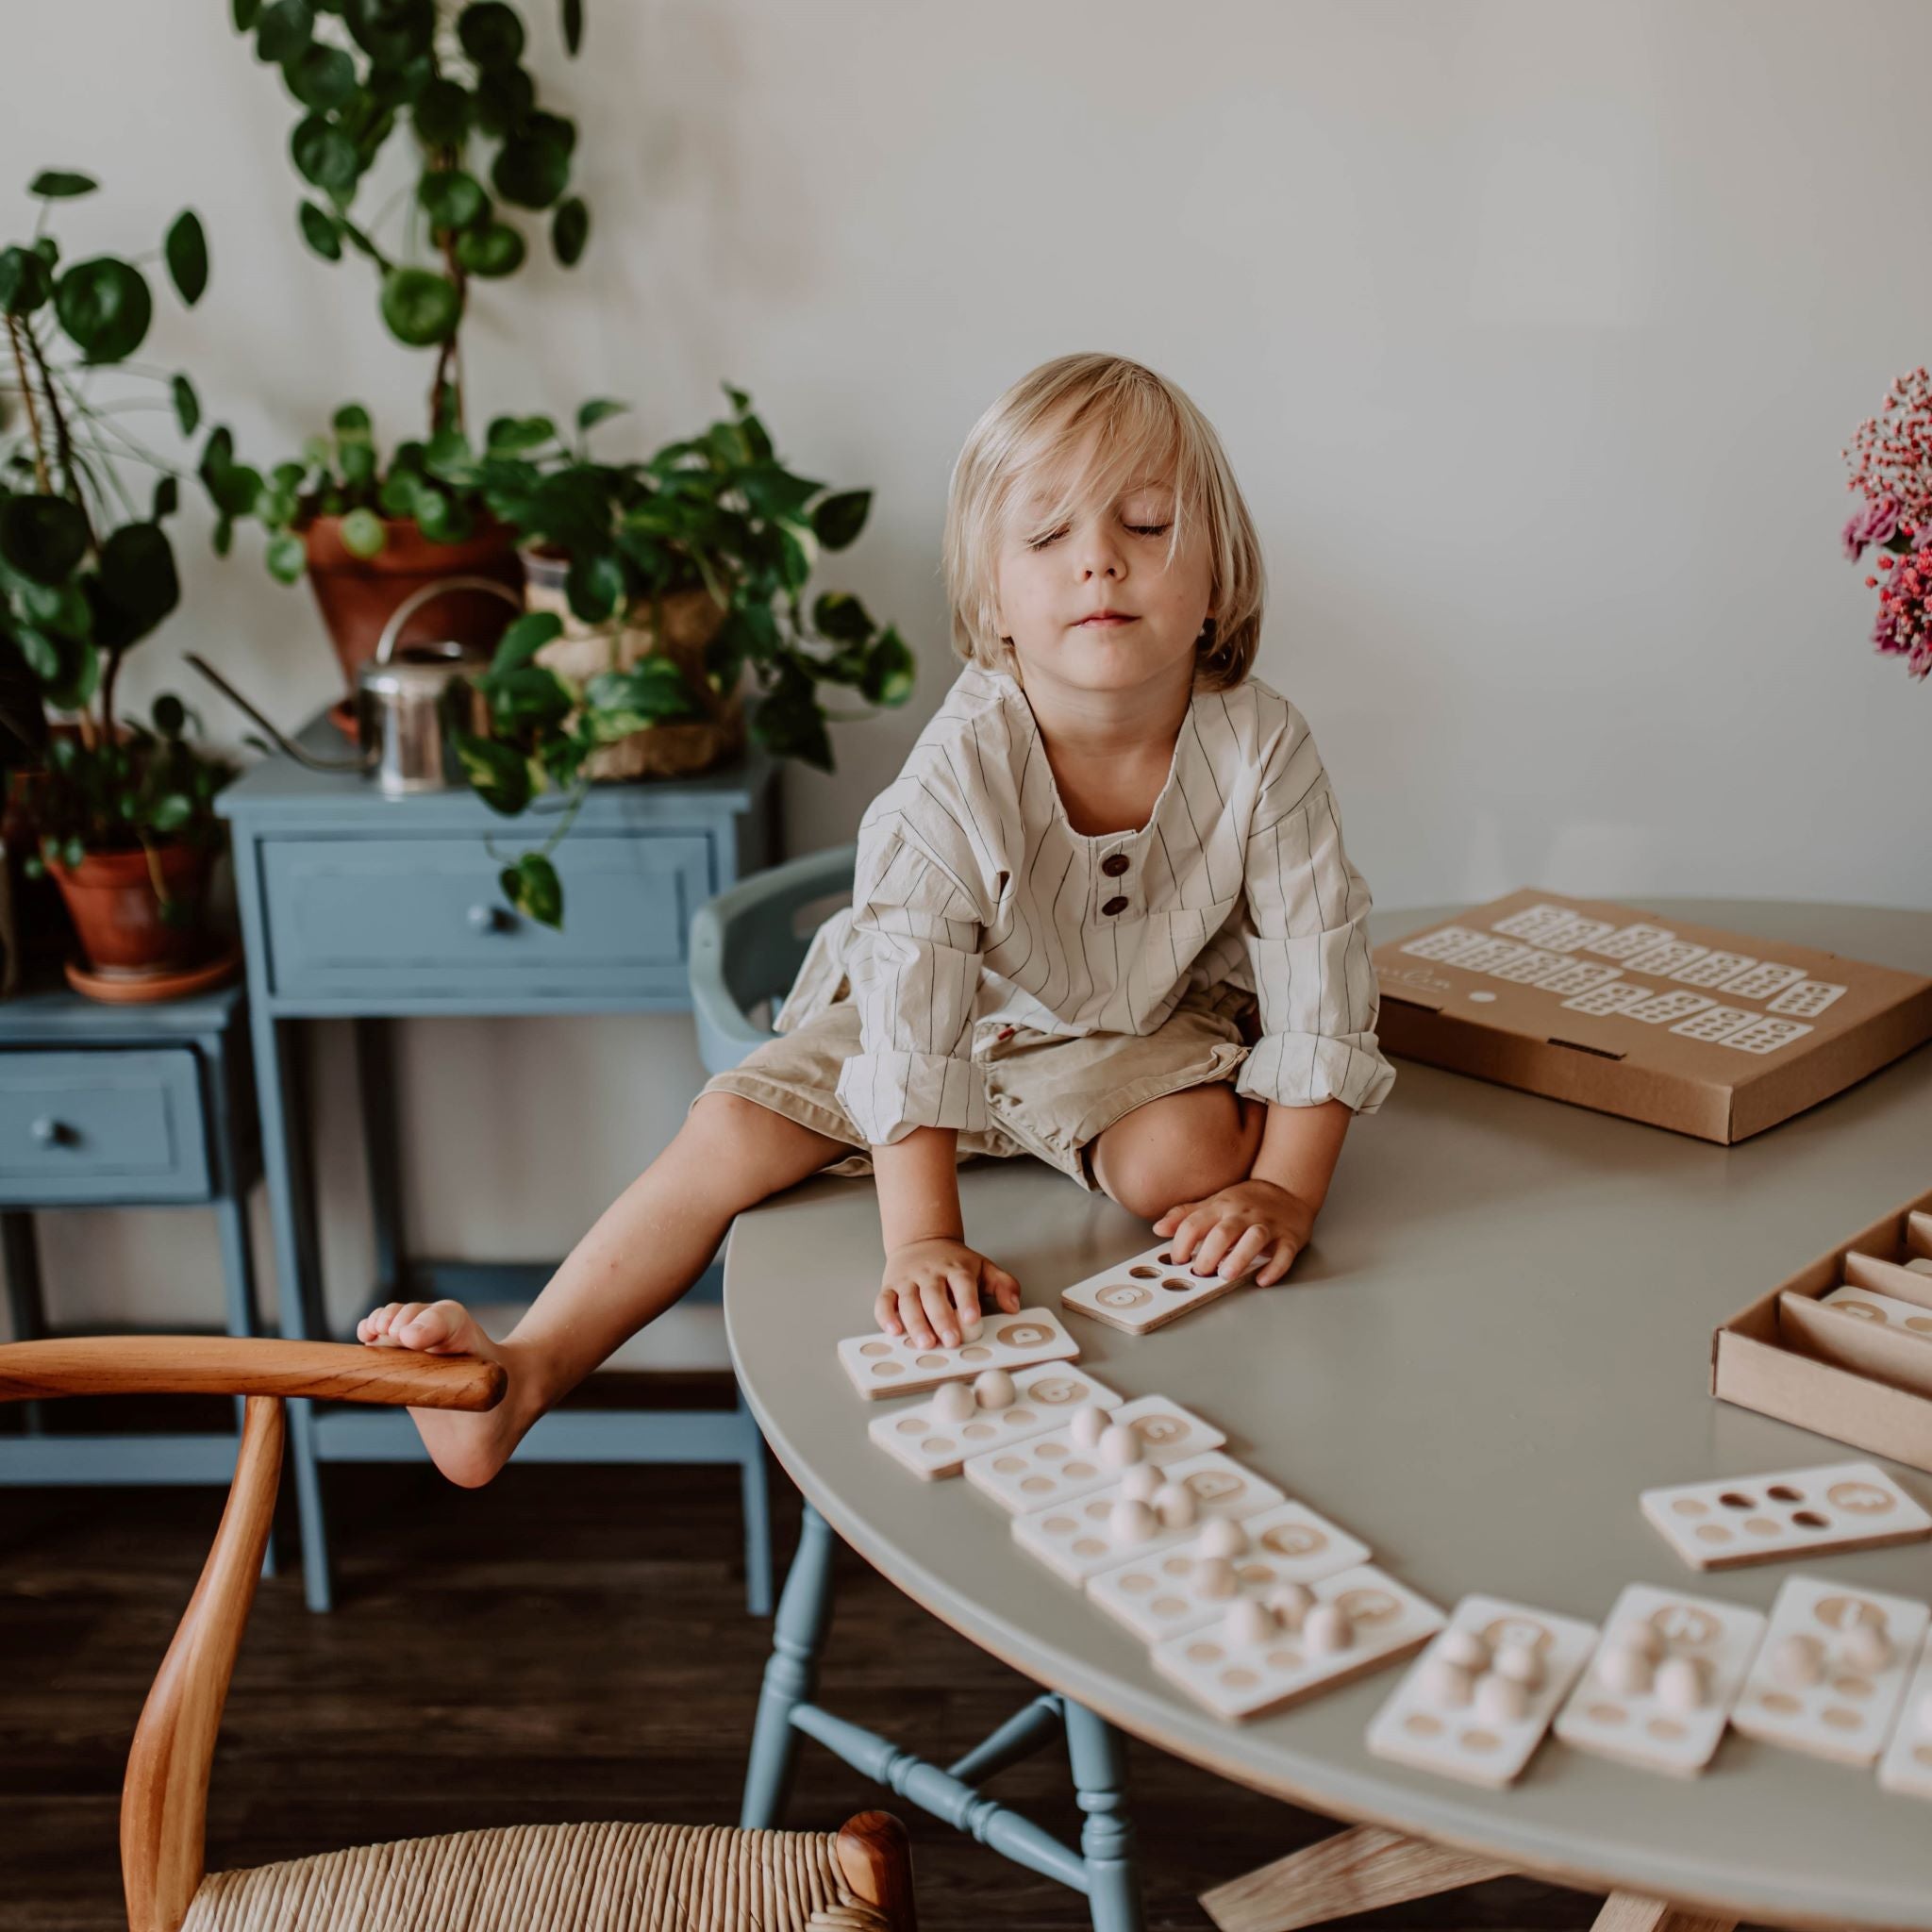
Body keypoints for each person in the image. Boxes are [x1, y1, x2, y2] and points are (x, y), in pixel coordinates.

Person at [357, 352, 1395, 1488]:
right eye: (1045, 537)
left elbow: (1316, 970)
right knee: (726, 1137)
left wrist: (1283, 1187)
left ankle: (1164, 1190)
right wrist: (923, 1234)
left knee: (1194, 1161)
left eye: (1146, 523)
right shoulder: (955, 773)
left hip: (1120, 1024)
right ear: (990, 601)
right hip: (937, 1008)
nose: (1098, 555)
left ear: (1219, 580)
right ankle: (518, 1378)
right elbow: (910, 1019)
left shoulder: (1264, 748)